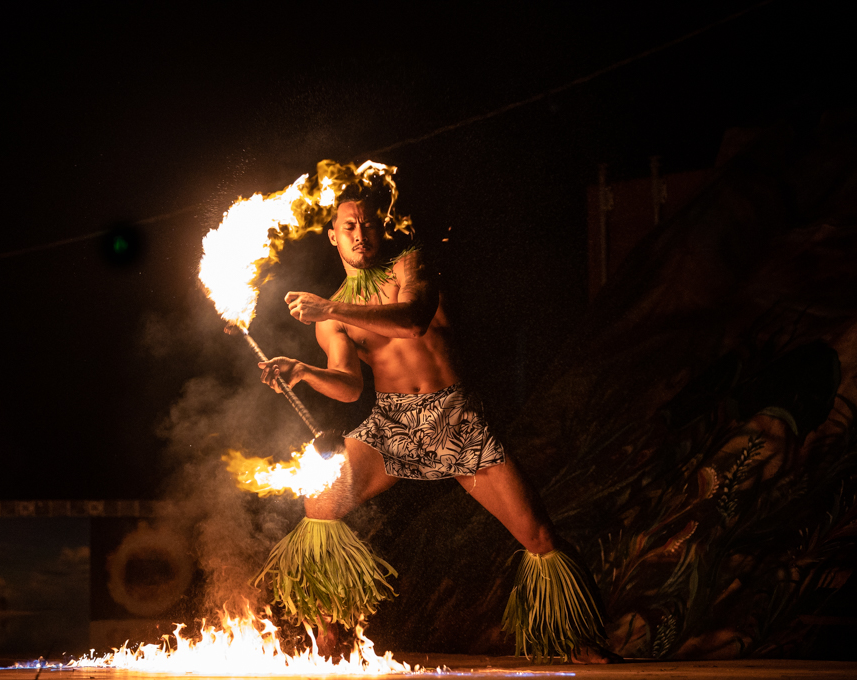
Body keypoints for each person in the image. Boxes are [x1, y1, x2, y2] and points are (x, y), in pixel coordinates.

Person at [255, 184, 619, 663]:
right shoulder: (333, 317)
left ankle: (580, 639)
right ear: (333, 237)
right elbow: (348, 386)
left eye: (369, 224)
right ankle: (330, 637)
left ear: (381, 229)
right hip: (392, 423)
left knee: (538, 535)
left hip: (455, 418)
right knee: (319, 504)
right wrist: (302, 371)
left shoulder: (410, 265)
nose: (360, 234)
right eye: (349, 227)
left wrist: (329, 307)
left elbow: (412, 322)